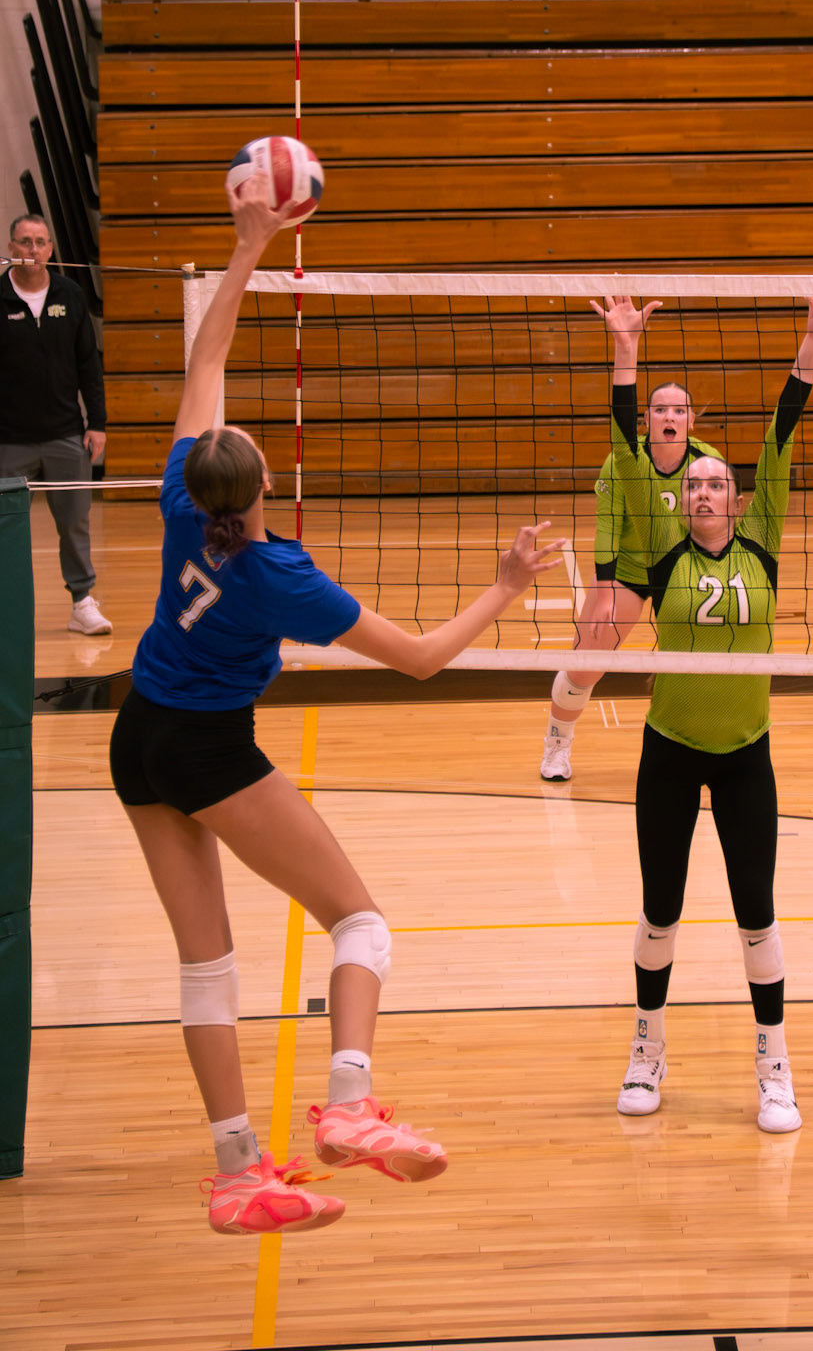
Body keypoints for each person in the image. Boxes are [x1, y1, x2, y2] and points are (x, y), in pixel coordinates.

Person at [109, 176, 564, 1235]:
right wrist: (505, 586)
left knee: (207, 964)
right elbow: (421, 660)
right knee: (358, 920)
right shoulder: (284, 578)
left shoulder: (180, 500)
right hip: (210, 748)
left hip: (138, 736)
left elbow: (206, 361)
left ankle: (237, 1173)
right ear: (261, 484)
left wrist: (247, 246)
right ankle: (350, 1104)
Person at [600, 289, 813, 1134]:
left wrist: (810, 348)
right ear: (681, 501)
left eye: (719, 483)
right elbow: (626, 446)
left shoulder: (763, 544)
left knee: (756, 915)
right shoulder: (660, 546)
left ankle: (773, 1068)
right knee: (660, 911)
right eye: (696, 486)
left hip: (747, 755)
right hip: (669, 752)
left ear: (738, 497)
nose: (707, 491)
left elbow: (781, 437)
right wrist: (625, 353)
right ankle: (646, 1050)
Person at [540, 379, 721, 781]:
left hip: (682, 573)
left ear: (692, 420)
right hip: (627, 572)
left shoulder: (707, 462)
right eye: (660, 409)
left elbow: (717, 527)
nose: (670, 416)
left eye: (679, 410)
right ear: (646, 419)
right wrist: (604, 592)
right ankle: (557, 743)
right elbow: (607, 528)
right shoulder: (623, 460)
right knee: (586, 664)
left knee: (702, 667)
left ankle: (703, 751)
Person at [0, 211, 111, 634]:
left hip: (66, 434)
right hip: (9, 439)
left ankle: (82, 602)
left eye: (40, 242)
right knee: (5, 526)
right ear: (11, 248)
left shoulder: (71, 295)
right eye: (25, 242)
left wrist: (97, 422)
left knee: (75, 523)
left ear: (50, 249)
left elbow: (89, 366)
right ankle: (7, 607)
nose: (33, 250)